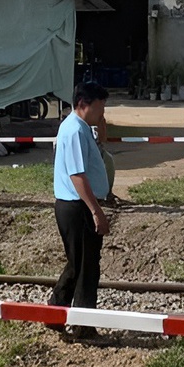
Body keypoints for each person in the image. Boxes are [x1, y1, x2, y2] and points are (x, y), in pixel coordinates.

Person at [51, 81, 111, 340]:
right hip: (77, 207)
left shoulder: (81, 127)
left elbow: (99, 147)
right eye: (100, 107)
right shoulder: (75, 130)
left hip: (76, 205)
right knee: (87, 267)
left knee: (79, 263)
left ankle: (55, 312)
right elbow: (78, 176)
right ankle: (83, 326)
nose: (102, 112)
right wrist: (96, 212)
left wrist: (101, 124)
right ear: (84, 104)